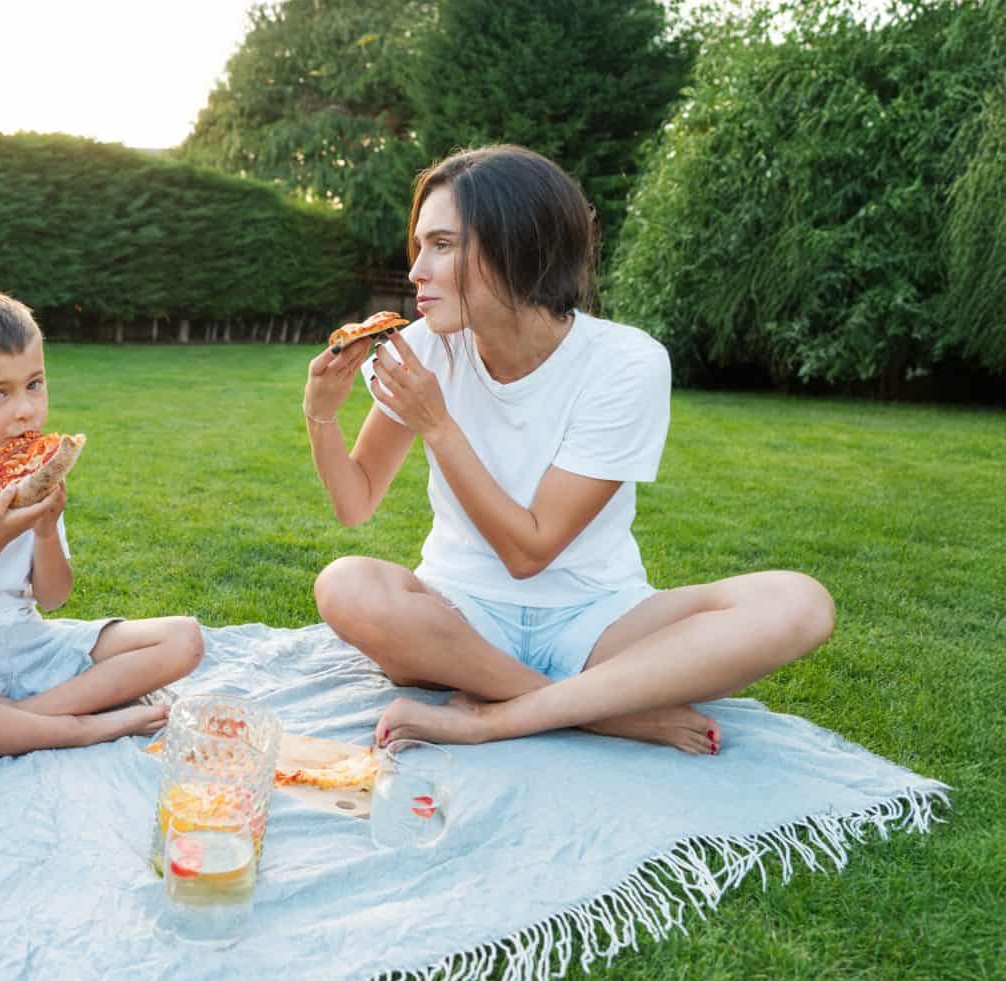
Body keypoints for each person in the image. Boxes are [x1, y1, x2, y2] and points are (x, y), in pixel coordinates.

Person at [303, 146, 834, 754]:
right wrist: (320, 414)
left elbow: (530, 552)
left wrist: (440, 426)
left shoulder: (626, 363)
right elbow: (355, 503)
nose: (417, 270)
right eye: (420, 245)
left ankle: (499, 715)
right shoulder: (425, 349)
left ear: (518, 248)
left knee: (800, 603)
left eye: (443, 245)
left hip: (598, 619)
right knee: (346, 585)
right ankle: (598, 709)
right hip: (460, 617)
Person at [0, 285, 203, 762]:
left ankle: (19, 718)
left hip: (24, 641)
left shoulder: (37, 470)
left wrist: (45, 531)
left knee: (184, 637)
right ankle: (79, 730)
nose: (25, 409)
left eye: (35, 384)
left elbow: (53, 597)